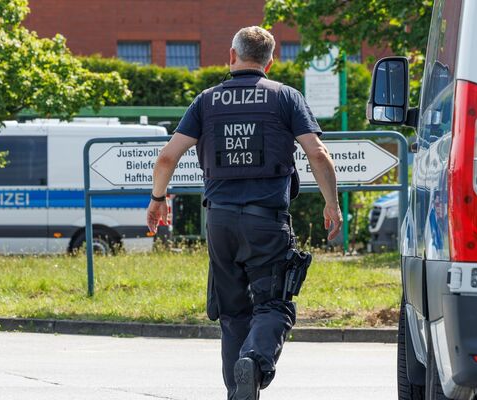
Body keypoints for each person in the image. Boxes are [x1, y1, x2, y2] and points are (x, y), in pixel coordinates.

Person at [145, 26, 342, 400]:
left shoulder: (206, 100)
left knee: (233, 312)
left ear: (231, 56)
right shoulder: (285, 97)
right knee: (274, 304)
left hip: (218, 220)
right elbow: (317, 153)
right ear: (270, 61)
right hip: (266, 221)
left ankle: (238, 391)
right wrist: (331, 204)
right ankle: (254, 360)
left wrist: (158, 200)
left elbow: (168, 156)